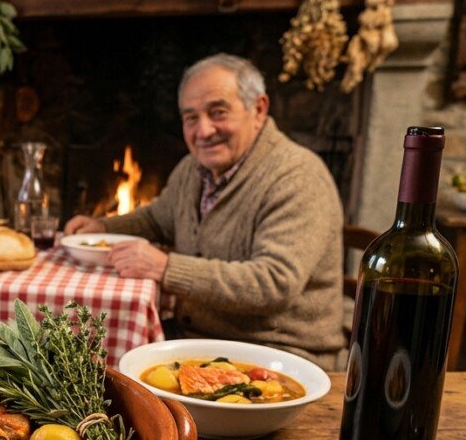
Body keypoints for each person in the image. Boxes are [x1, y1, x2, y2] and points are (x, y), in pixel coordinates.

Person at [65, 53, 346, 369]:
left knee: (118, 377)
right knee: (87, 357)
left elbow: (274, 283)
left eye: (218, 112)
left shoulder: (297, 175)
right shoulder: (193, 169)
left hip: (280, 356)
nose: (204, 130)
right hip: (204, 340)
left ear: (259, 109)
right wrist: (100, 227)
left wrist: (166, 268)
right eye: (191, 118)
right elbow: (157, 218)